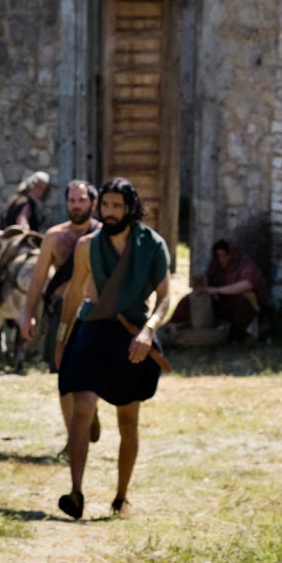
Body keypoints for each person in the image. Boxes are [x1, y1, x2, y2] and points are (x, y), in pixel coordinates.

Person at [54, 178, 172, 520]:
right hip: (92, 330)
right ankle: (76, 493)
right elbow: (74, 295)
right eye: (105, 205)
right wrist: (61, 339)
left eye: (117, 206)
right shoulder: (87, 246)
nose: (110, 212)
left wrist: (148, 332)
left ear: (130, 208)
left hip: (131, 334)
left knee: (128, 419)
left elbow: (165, 298)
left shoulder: (152, 245)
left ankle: (121, 497)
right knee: (82, 407)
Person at [21, 180, 102, 372]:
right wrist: (28, 315)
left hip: (93, 313)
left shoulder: (103, 236)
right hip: (61, 311)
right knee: (60, 371)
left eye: (82, 200)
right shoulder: (53, 237)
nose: (76, 205)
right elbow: (38, 279)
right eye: (72, 200)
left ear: (93, 203)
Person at [170, 238, 270, 341]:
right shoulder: (216, 265)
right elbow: (209, 280)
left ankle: (234, 336)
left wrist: (216, 290)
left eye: (224, 255)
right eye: (219, 256)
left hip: (239, 302)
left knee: (242, 304)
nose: (221, 259)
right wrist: (201, 284)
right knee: (188, 301)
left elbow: (247, 284)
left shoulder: (244, 264)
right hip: (221, 300)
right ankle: (174, 329)